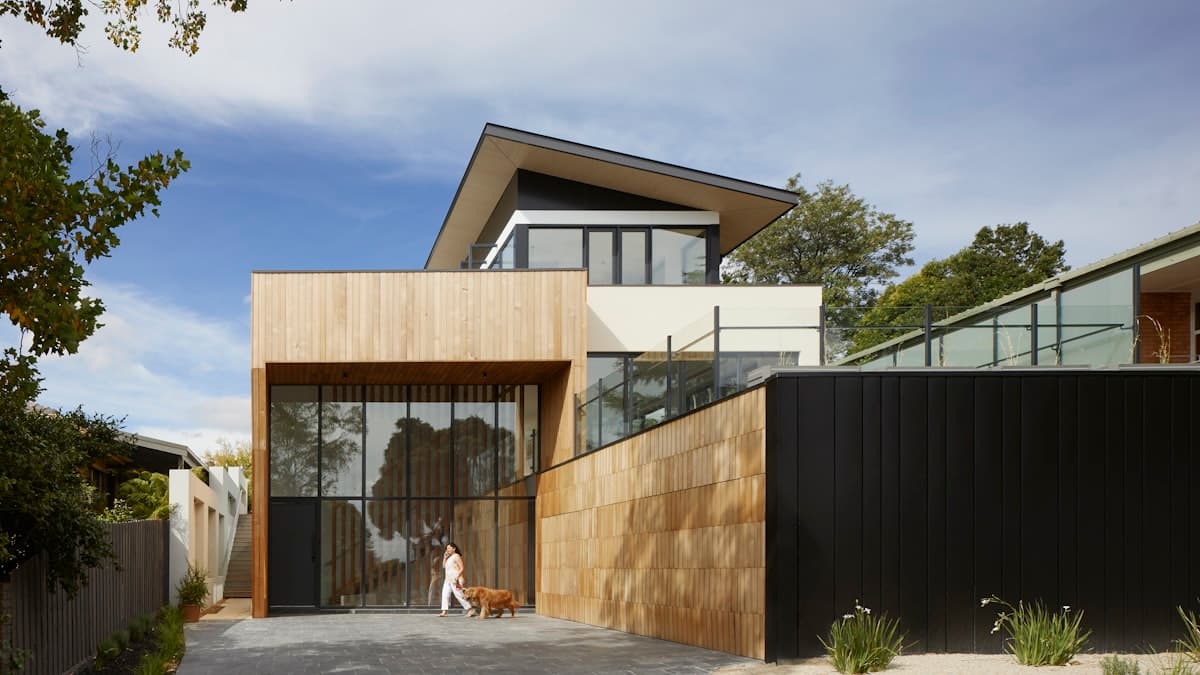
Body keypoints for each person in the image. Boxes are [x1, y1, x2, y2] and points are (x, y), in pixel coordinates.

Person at [437, 542, 474, 617]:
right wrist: (444, 557)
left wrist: (457, 577)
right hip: (447, 579)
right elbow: (444, 566)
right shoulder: (449, 557)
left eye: (449, 548)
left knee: (459, 595)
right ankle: (444, 611)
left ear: (454, 549)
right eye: (447, 548)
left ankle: (470, 609)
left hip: (455, 579)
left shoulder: (456, 556)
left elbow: (462, 568)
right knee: (445, 595)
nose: (447, 550)